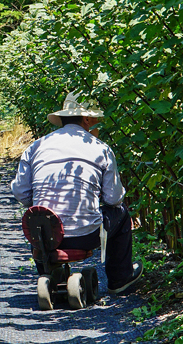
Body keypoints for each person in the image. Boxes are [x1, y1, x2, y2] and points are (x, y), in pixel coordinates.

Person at [11, 92, 142, 294]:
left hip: (45, 236)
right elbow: (113, 199)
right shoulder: (101, 148)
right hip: (86, 235)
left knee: (39, 221)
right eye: (96, 119)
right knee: (121, 213)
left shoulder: (35, 146)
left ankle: (48, 274)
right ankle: (120, 278)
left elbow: (21, 193)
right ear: (87, 118)